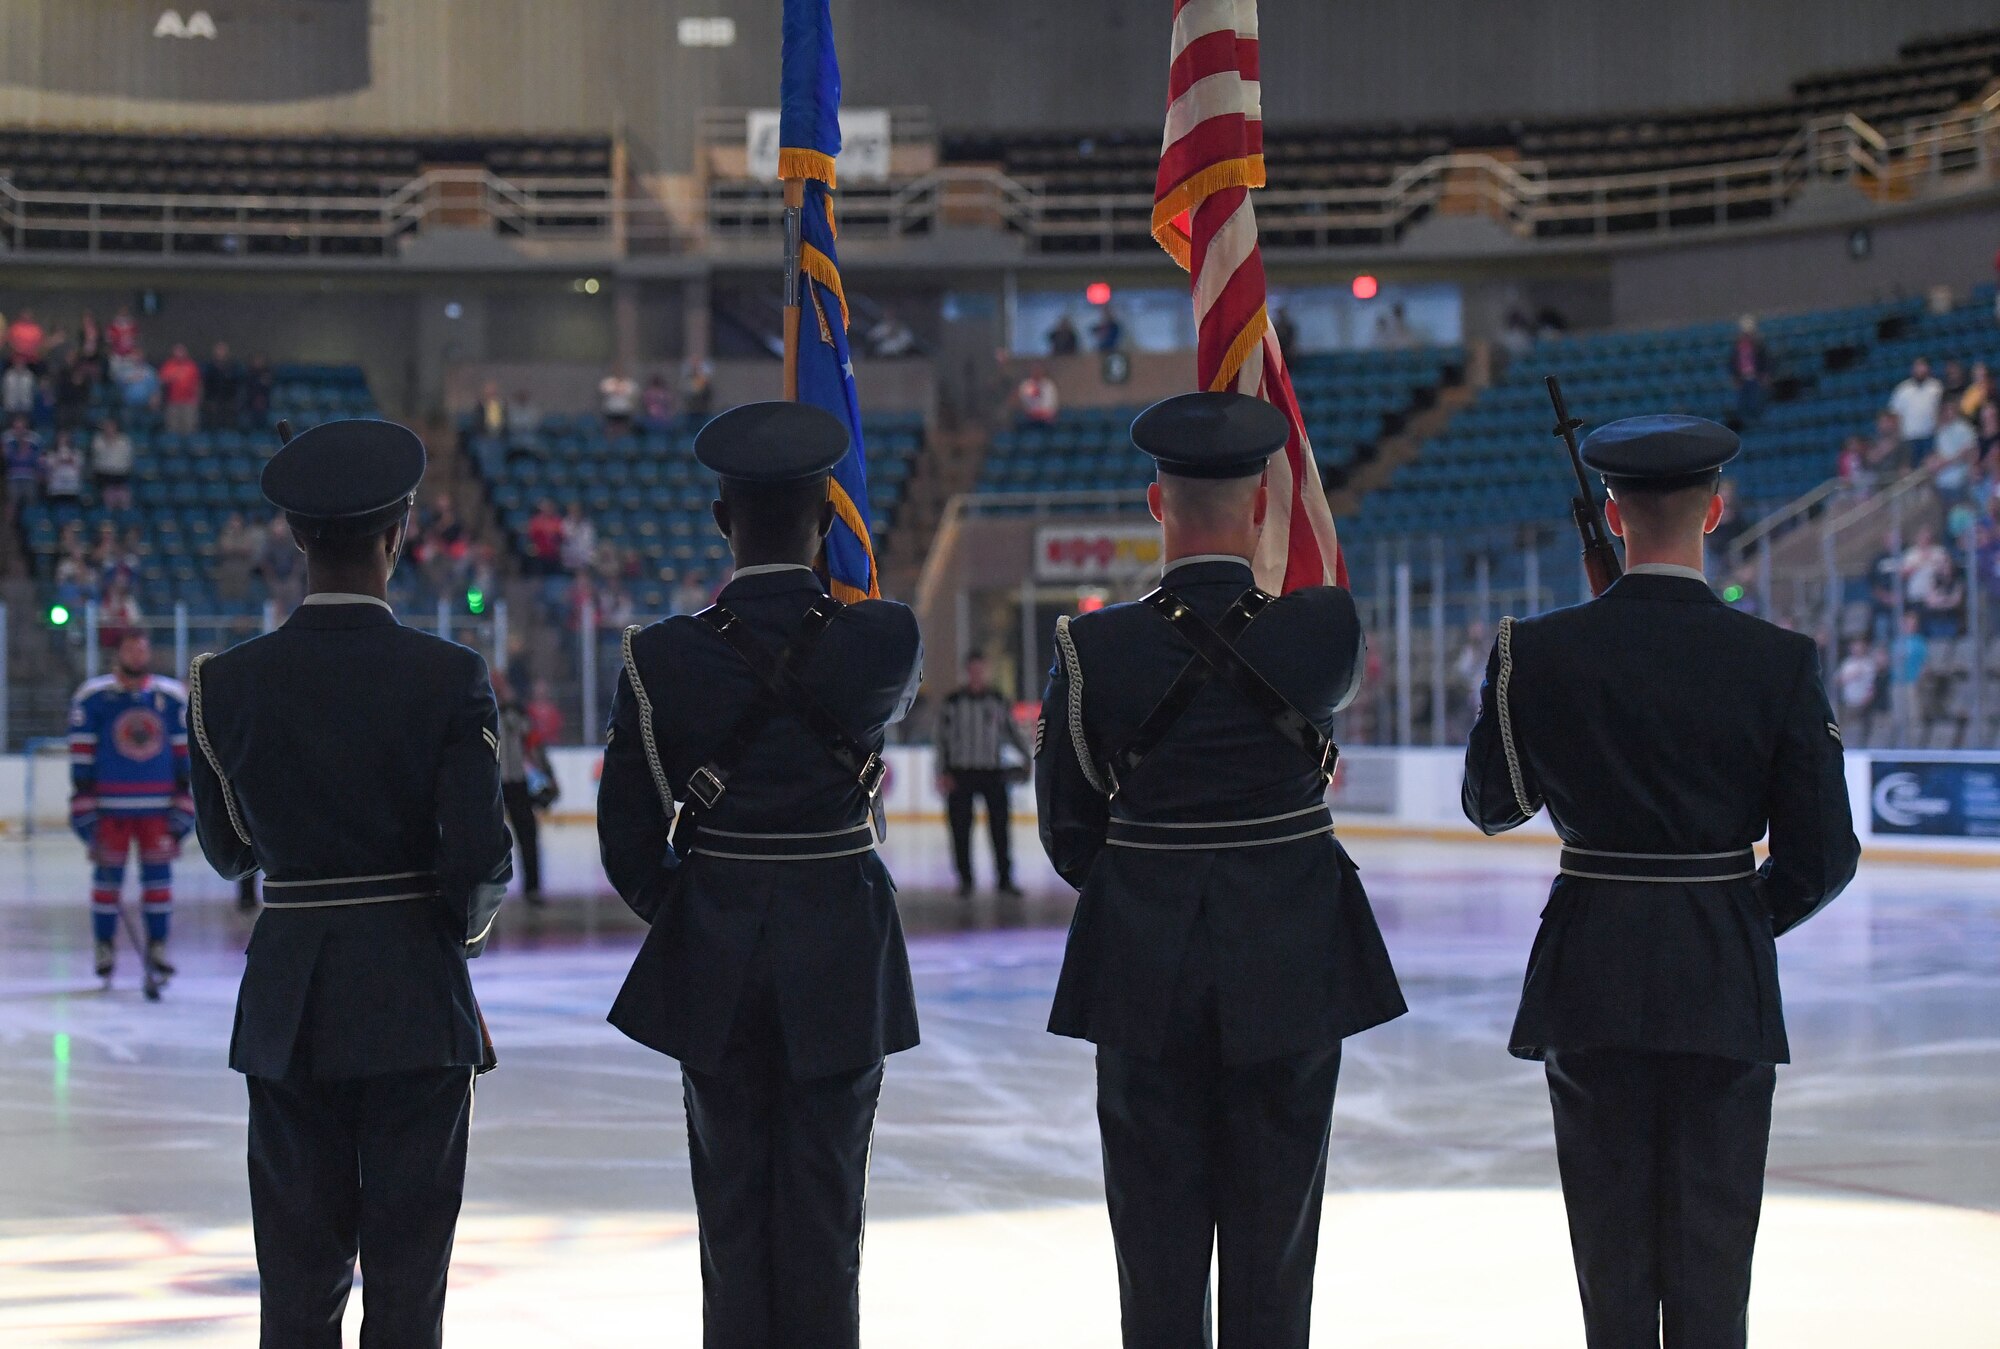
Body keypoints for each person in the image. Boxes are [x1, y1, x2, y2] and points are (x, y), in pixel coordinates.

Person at [1462, 414, 1858, 1348]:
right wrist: (1730, 913)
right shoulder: (1779, 661)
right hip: (1719, 977)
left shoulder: (1539, 649)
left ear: (1612, 509)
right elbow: (1825, 856)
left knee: (1613, 1265)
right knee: (1714, 1265)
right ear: (1716, 510)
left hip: (1591, 970)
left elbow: (1493, 801)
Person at [1035, 392, 1405, 1349]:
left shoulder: (1093, 649)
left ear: (1157, 504)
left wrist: (1155, 885)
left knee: (1153, 1260)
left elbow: (1070, 833)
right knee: (1275, 1256)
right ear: (1259, 510)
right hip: (1289, 962)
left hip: (1145, 969)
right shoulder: (1322, 629)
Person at [598, 402, 922, 1349]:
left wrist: (700, 905)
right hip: (841, 948)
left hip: (719, 947)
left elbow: (627, 844)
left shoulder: (661, 655)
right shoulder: (885, 637)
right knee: (828, 1213)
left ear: (719, 520)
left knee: (732, 1218)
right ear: (828, 519)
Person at [185, 418, 511, 1347]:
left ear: (292, 536)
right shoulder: (450, 677)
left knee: (295, 1286)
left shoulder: (226, 685)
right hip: (414, 994)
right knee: (410, 1286)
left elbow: (229, 850)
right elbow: (479, 856)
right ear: (399, 534)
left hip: (293, 1003)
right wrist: (456, 934)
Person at [68, 631, 192, 984]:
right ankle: (104, 945)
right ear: (117, 653)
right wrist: (84, 800)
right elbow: (81, 752)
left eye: (143, 648)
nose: (138, 655)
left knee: (158, 883)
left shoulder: (169, 697)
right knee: (107, 885)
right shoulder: (93, 697)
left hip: (158, 808)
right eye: (131, 649)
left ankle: (157, 946)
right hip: (110, 809)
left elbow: (185, 751)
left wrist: (184, 800)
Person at [934, 651, 1028, 897]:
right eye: (973, 669)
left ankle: (1004, 879)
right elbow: (941, 741)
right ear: (967, 671)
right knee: (960, 828)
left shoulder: (997, 700)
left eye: (980, 669)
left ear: (985, 671)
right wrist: (942, 772)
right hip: (961, 772)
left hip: (992, 773)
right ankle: (965, 879)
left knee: (1000, 827)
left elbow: (1012, 732)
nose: (977, 674)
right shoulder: (953, 703)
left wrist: (1028, 757)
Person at [492, 670, 551, 907]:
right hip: (492, 784)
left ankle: (533, 888)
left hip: (515, 782)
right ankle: (487, 889)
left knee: (528, 836)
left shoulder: (516, 711)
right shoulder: (479, 711)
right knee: (488, 842)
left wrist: (549, 776)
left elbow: (533, 744)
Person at [1888, 358, 1943, 466]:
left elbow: (1941, 410)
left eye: (1923, 367)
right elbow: (1895, 414)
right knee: (1912, 468)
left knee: (1928, 467)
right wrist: (1897, 435)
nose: (1920, 370)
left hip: (1929, 435)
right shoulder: (1902, 389)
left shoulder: (1936, 387)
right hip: (1909, 437)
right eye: (1917, 367)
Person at [1727, 314, 1771, 425]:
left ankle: (1756, 421)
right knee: (1743, 402)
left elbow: (1765, 359)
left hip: (1755, 378)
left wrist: (1764, 374)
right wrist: (1735, 376)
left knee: (1755, 401)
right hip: (1743, 378)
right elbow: (1732, 362)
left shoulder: (1759, 346)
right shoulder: (1738, 346)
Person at [1835, 637, 1882, 727]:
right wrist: (1851, 676)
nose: (1857, 649)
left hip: (1865, 704)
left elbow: (1874, 684)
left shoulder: (1869, 664)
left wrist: (1868, 698)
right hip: (1849, 704)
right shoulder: (1847, 663)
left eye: (1859, 647)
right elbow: (1837, 681)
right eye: (1855, 647)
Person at [158, 344, 203, 436]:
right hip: (173, 402)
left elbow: (198, 383)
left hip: (189, 402)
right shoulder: (169, 365)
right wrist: (171, 377)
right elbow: (161, 380)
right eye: (177, 351)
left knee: (189, 428)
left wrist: (198, 399)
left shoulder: (192, 366)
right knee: (173, 428)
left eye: (182, 351)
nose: (180, 354)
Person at [91, 418, 135, 511]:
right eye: (107, 427)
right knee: (107, 489)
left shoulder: (124, 440)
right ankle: (108, 509)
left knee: (124, 492)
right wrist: (108, 442)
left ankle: (125, 510)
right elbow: (99, 457)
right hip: (104, 473)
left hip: (121, 474)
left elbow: (127, 457)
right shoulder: (98, 440)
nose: (110, 429)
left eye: (112, 427)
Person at [3, 414, 41, 517]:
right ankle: (9, 525)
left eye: (21, 427)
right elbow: (8, 457)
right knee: (12, 501)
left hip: (30, 475)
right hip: (13, 476)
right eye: (17, 427)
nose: (19, 430)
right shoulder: (7, 438)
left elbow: (36, 458)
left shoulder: (34, 439)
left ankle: (32, 522)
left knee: (31, 502)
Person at [202, 341, 245, 431]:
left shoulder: (233, 366)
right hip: (213, 401)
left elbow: (237, 383)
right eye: (219, 350)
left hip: (229, 401)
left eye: (223, 350)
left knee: (229, 425)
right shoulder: (209, 367)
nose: (220, 353)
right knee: (213, 425)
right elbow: (205, 384)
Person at [42, 433, 83, 505]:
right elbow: (50, 468)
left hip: (72, 486)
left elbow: (79, 468)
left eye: (65, 439)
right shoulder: (51, 453)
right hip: (56, 486)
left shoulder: (77, 453)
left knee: (71, 507)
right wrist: (59, 459)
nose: (63, 441)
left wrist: (70, 460)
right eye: (61, 439)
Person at [599, 364, 637, 433]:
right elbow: (605, 390)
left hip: (624, 410)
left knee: (624, 430)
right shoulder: (608, 381)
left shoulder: (629, 382)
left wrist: (619, 389)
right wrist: (617, 388)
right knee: (610, 430)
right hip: (611, 410)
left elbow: (632, 392)